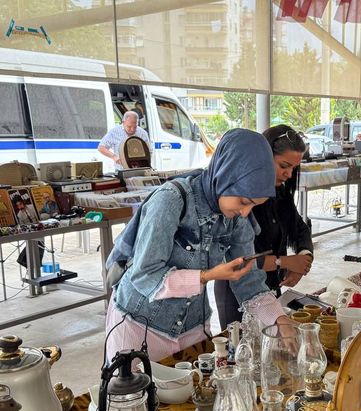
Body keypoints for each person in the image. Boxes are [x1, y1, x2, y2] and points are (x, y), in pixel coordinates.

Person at [104, 129, 294, 362]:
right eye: (244, 201)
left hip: (191, 325)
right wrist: (206, 276)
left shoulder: (237, 217)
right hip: (138, 324)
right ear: (225, 175)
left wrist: (279, 319)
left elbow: (249, 281)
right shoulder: (171, 200)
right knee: (132, 396)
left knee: (194, 393)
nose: (245, 212)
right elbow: (144, 275)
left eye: (253, 205)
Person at [214, 125, 313, 328]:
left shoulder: (281, 194)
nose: (288, 174)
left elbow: (300, 228)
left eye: (293, 168)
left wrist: (302, 260)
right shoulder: (239, 199)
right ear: (264, 158)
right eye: (283, 166)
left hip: (268, 288)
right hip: (237, 291)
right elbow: (240, 261)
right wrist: (284, 261)